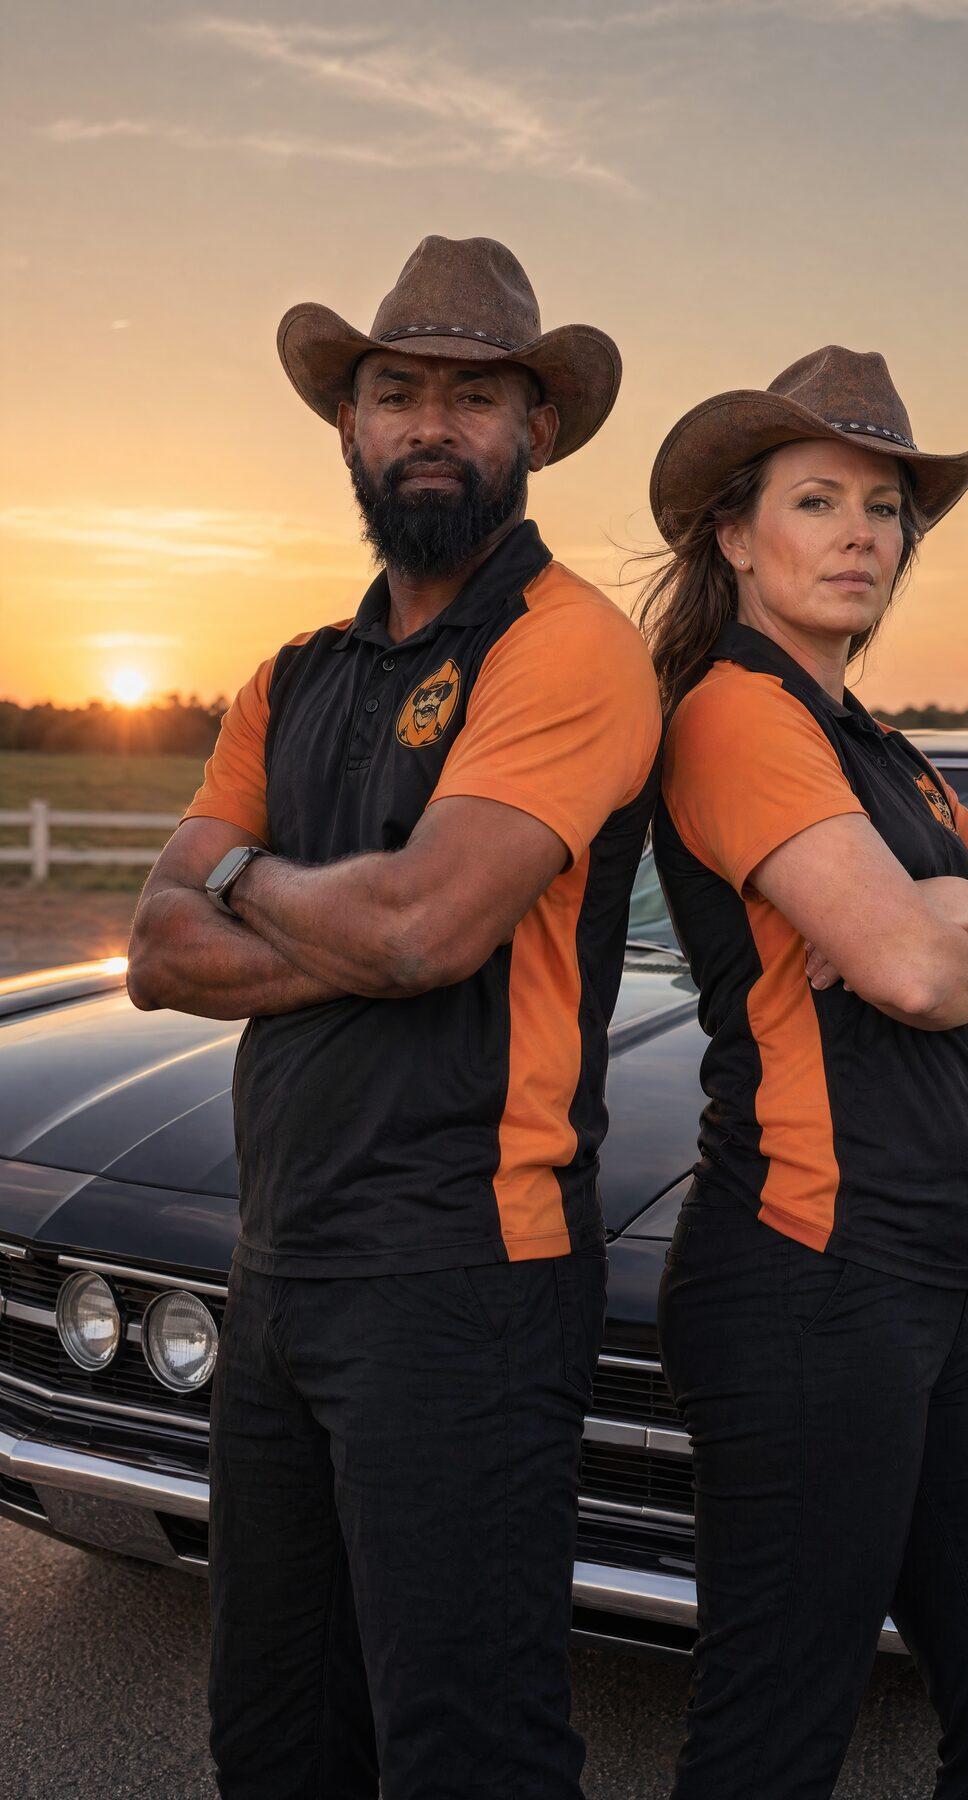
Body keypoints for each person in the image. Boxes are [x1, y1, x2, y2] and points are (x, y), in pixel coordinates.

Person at [126, 234, 661, 1799]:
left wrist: (251, 876)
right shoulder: (291, 679)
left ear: (536, 431)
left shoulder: (570, 645)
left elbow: (428, 925)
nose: (434, 422)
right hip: (279, 1265)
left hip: (467, 1279)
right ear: (349, 426)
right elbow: (157, 948)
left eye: (476, 395)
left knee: (467, 1752)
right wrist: (345, 917)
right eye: (397, 390)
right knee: (278, 1739)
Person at [639, 346, 968, 1799]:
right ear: (734, 533)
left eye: (886, 509)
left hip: (933, 1284)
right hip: (803, 1279)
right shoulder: (732, 713)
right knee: (775, 1742)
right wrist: (948, 926)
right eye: (817, 499)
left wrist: (948, 905)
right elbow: (913, 980)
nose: (859, 534)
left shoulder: (882, 749)